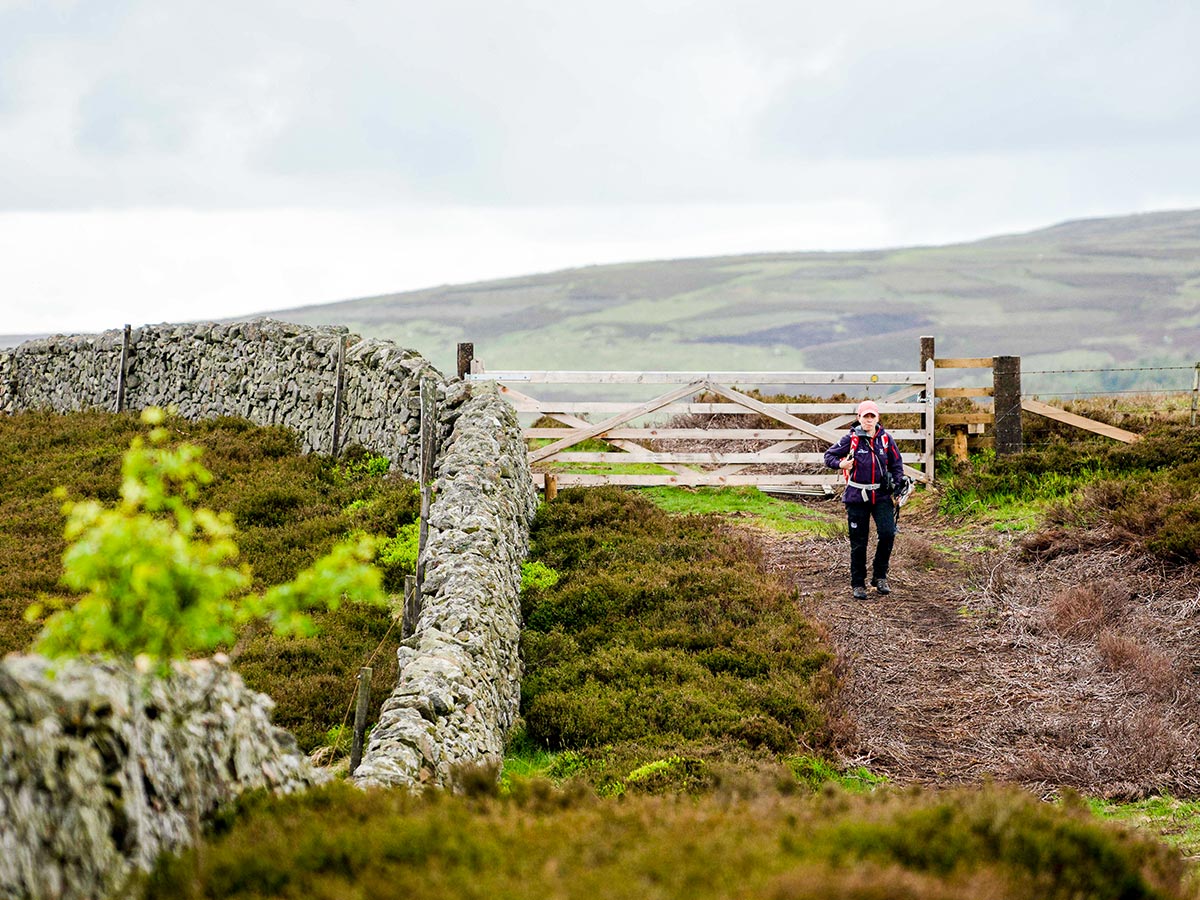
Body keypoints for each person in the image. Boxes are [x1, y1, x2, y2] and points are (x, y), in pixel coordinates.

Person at [824, 400, 906, 600]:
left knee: (887, 534)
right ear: (858, 418)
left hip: (882, 496)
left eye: (872, 416)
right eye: (865, 416)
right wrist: (842, 463)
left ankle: (880, 577)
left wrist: (896, 485)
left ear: (877, 418)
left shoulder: (886, 440)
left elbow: (897, 465)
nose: (869, 420)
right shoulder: (850, 439)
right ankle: (858, 583)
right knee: (859, 542)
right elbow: (828, 457)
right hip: (856, 496)